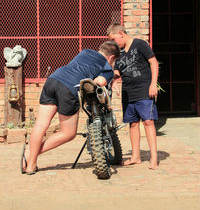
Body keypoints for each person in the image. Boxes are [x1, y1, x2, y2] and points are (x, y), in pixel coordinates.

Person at [21, 41, 120, 175]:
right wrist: (109, 77)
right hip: (69, 88)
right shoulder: (107, 66)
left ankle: (31, 164)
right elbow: (99, 82)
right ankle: (31, 153)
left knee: (40, 125)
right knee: (68, 133)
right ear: (112, 58)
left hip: (53, 79)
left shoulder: (85, 51)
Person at [107, 23, 159, 170]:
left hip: (144, 89)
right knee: (133, 123)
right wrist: (112, 80)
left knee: (148, 122)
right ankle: (136, 157)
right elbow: (117, 72)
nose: (112, 43)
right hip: (128, 93)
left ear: (121, 34)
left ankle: (153, 157)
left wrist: (153, 84)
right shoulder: (120, 53)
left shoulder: (140, 44)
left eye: (113, 39)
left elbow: (153, 62)